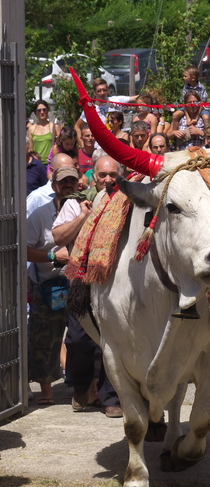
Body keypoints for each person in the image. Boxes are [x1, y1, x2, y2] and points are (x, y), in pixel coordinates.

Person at [52, 155, 123, 417]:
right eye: (102, 175)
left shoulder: (127, 202)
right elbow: (58, 236)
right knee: (79, 340)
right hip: (82, 280)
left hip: (115, 282)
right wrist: (84, 215)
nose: (107, 180)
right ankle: (80, 387)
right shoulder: (75, 203)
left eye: (112, 175)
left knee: (112, 340)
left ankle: (110, 397)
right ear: (93, 176)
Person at [27, 167, 77, 404]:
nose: (68, 185)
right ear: (54, 185)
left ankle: (80, 388)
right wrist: (52, 258)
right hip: (47, 286)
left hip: (77, 286)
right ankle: (46, 392)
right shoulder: (38, 213)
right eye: (63, 181)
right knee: (44, 340)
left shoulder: (82, 208)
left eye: (72, 181)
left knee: (79, 340)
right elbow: (25, 250)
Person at [74, 78, 139, 146]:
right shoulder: (90, 108)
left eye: (104, 90)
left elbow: (135, 98)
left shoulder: (115, 101)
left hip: (115, 145)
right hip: (98, 147)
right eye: (99, 91)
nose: (102, 93)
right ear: (94, 92)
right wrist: (82, 146)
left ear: (108, 90)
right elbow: (77, 126)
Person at [27, 99, 60, 166]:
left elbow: (60, 146)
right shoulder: (31, 129)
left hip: (50, 164)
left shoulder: (54, 127)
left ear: (47, 111)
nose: (42, 112)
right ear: (36, 113)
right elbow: (30, 149)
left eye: (44, 110)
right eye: (39, 110)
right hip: (35, 164)